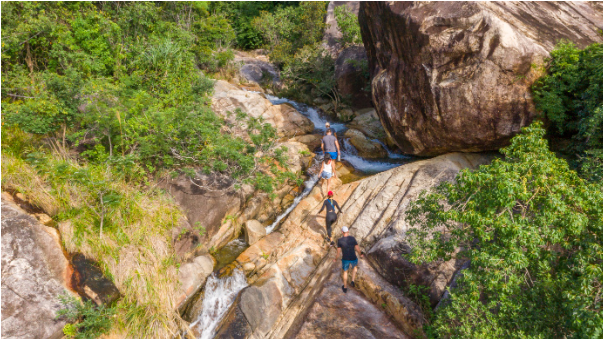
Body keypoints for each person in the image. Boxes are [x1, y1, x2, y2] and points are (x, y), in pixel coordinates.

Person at [335, 226, 363, 293]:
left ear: (342, 232)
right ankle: (352, 281)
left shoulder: (340, 240)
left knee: (345, 272)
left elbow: (338, 253)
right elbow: (357, 248)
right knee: (355, 268)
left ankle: (345, 287)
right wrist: (360, 254)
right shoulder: (352, 238)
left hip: (345, 259)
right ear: (348, 231)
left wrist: (335, 259)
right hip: (353, 257)